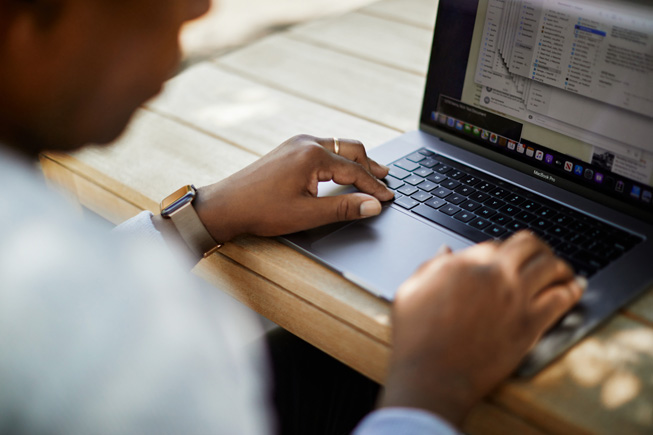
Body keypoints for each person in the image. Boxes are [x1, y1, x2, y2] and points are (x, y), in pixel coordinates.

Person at [0, 0, 586, 433]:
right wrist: (431, 391)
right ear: (23, 21)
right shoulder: (94, 335)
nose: (200, 7)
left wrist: (200, 217)